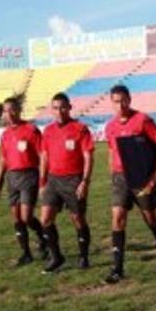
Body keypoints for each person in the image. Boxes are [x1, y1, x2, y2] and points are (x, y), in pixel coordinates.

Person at [102, 84, 156, 284]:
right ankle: (117, 268)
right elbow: (111, 151)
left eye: (123, 100)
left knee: (150, 218)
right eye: (116, 101)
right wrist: (112, 175)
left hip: (142, 177)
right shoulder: (110, 127)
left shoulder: (143, 120)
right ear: (112, 103)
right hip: (120, 178)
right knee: (117, 218)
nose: (120, 105)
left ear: (129, 99)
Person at [37, 93, 95, 273]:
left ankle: (84, 256)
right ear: (51, 110)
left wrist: (84, 181)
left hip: (73, 180)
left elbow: (88, 156)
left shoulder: (80, 128)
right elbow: (44, 157)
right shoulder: (48, 131)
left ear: (69, 107)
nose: (59, 111)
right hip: (53, 180)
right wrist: (42, 182)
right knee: (45, 219)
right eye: (55, 108)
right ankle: (56, 257)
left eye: (63, 107)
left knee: (77, 219)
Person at [0, 97, 46, 265]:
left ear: (19, 110)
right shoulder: (6, 135)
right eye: (6, 111)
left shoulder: (31, 130)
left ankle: (42, 236)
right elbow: (3, 160)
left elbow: (43, 155)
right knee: (16, 218)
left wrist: (44, 179)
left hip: (29, 175)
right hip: (12, 178)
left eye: (12, 110)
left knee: (26, 217)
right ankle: (26, 254)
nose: (9, 114)